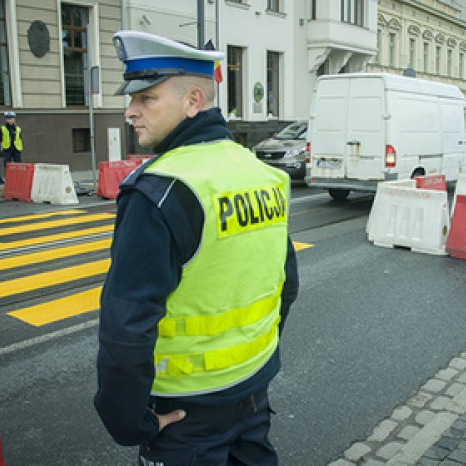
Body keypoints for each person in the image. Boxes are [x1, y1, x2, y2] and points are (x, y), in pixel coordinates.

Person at [94, 31, 299, 465]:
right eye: (131, 98)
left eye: (146, 98)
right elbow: (286, 285)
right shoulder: (262, 174)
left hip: (183, 412)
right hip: (252, 393)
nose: (129, 111)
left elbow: (126, 329)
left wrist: (130, 424)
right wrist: (253, 367)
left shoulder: (160, 189)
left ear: (192, 101)